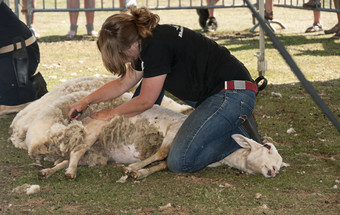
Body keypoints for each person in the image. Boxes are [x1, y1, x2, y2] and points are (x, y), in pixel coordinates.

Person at [68, 6, 257, 173]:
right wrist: (85, 101)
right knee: (145, 89)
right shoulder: (148, 40)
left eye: (122, 55)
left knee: (180, 162)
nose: (125, 61)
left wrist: (111, 114)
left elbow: (145, 101)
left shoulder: (155, 47)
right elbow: (122, 83)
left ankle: (241, 138)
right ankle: (226, 125)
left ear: (132, 44)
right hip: (217, 93)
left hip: (232, 94)